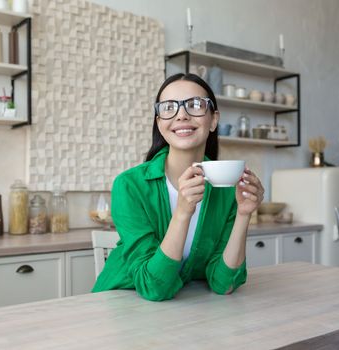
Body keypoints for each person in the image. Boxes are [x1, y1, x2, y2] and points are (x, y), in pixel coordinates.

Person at [92, 73, 264, 301]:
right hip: (117, 303)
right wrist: (182, 212)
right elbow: (154, 287)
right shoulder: (130, 186)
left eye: (194, 105)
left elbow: (224, 283)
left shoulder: (227, 186)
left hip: (182, 312)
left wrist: (244, 214)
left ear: (213, 120)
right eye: (168, 107)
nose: (181, 115)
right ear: (159, 122)